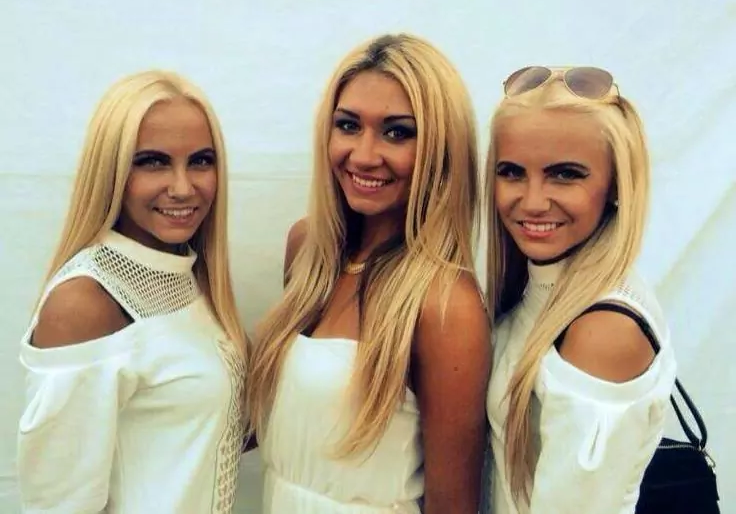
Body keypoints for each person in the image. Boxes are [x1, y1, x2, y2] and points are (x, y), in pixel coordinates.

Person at [246, 33, 491, 514]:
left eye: (397, 132)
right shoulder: (308, 250)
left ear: (441, 148)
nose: (363, 155)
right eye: (348, 125)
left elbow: (453, 504)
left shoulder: (445, 304)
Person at [16, 70, 248, 513]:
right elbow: (56, 504)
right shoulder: (85, 303)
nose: (183, 188)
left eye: (200, 161)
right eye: (153, 161)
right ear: (112, 171)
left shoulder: (186, 274)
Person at [484, 66, 678, 513]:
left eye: (565, 175)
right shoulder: (540, 289)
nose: (533, 201)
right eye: (512, 172)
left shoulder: (603, 329)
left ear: (615, 186)